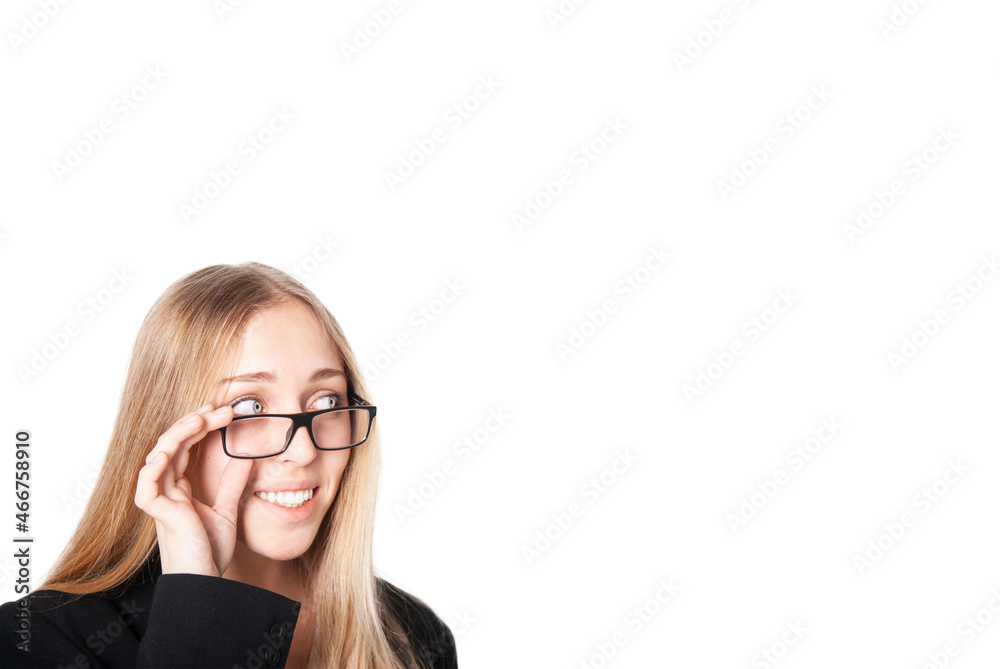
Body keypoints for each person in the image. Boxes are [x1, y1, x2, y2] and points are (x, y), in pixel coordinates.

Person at [0, 262, 458, 669]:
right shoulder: (34, 641)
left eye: (327, 399)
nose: (302, 452)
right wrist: (195, 599)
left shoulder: (413, 635)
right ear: (169, 433)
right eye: (248, 408)